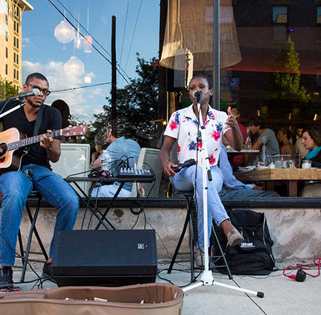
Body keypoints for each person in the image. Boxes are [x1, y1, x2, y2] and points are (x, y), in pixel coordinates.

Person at [0, 72, 79, 290]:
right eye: (38, 90)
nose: (42, 95)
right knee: (15, 195)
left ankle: (54, 261)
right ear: (25, 88)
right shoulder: (9, 107)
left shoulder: (52, 115)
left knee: (70, 200)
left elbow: (55, 156)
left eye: (46, 91)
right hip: (12, 170)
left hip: (40, 170)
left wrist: (49, 146)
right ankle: (6, 268)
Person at [160, 74, 244, 267]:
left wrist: (235, 127)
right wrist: (166, 164)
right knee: (199, 175)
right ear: (190, 93)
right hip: (184, 173)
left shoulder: (221, 117)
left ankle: (202, 252)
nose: (197, 90)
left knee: (204, 191)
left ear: (210, 92)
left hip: (212, 171)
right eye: (192, 87)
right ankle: (226, 225)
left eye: (202, 86)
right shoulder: (179, 116)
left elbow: (237, 147)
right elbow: (164, 150)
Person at [90, 126, 141, 197]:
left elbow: (95, 165)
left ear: (110, 134)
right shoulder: (134, 143)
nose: (104, 136)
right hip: (138, 189)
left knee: (94, 192)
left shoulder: (114, 146)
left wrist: (96, 152)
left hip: (124, 189)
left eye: (105, 133)